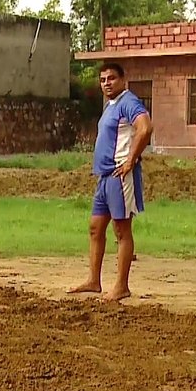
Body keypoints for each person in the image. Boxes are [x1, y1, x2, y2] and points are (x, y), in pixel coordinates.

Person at [69, 62, 152, 302]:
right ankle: (94, 281)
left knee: (121, 231)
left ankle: (121, 286)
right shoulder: (111, 106)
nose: (107, 83)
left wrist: (130, 161)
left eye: (112, 78)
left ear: (123, 80)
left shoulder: (129, 102)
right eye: (103, 79)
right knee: (95, 228)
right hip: (104, 178)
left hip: (120, 177)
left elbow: (145, 128)